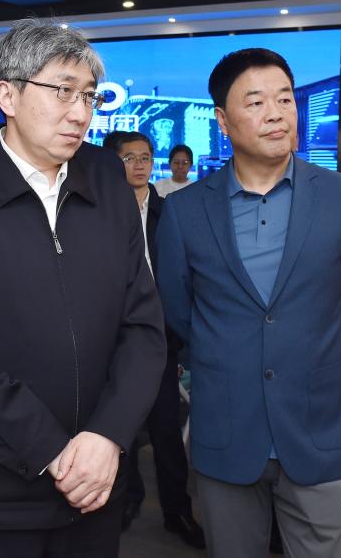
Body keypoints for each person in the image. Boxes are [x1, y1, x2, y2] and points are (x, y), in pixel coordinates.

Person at [0, 20, 166, 557]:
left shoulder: (107, 182)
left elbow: (143, 325)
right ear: (8, 95)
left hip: (96, 486)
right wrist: (54, 453)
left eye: (89, 96)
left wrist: (108, 435)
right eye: (63, 91)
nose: (81, 113)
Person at [156, 47, 341, 557]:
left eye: (285, 99)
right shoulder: (185, 211)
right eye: (256, 102)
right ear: (223, 120)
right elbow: (179, 312)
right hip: (227, 428)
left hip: (317, 425)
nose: (276, 113)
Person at [114, 132, 205, 549]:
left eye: (145, 157)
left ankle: (177, 512)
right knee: (119, 430)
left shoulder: (171, 213)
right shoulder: (101, 212)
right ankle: (124, 502)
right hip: (113, 341)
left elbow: (188, 279)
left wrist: (182, 338)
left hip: (160, 339)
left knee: (167, 431)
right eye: (129, 158)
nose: (139, 164)